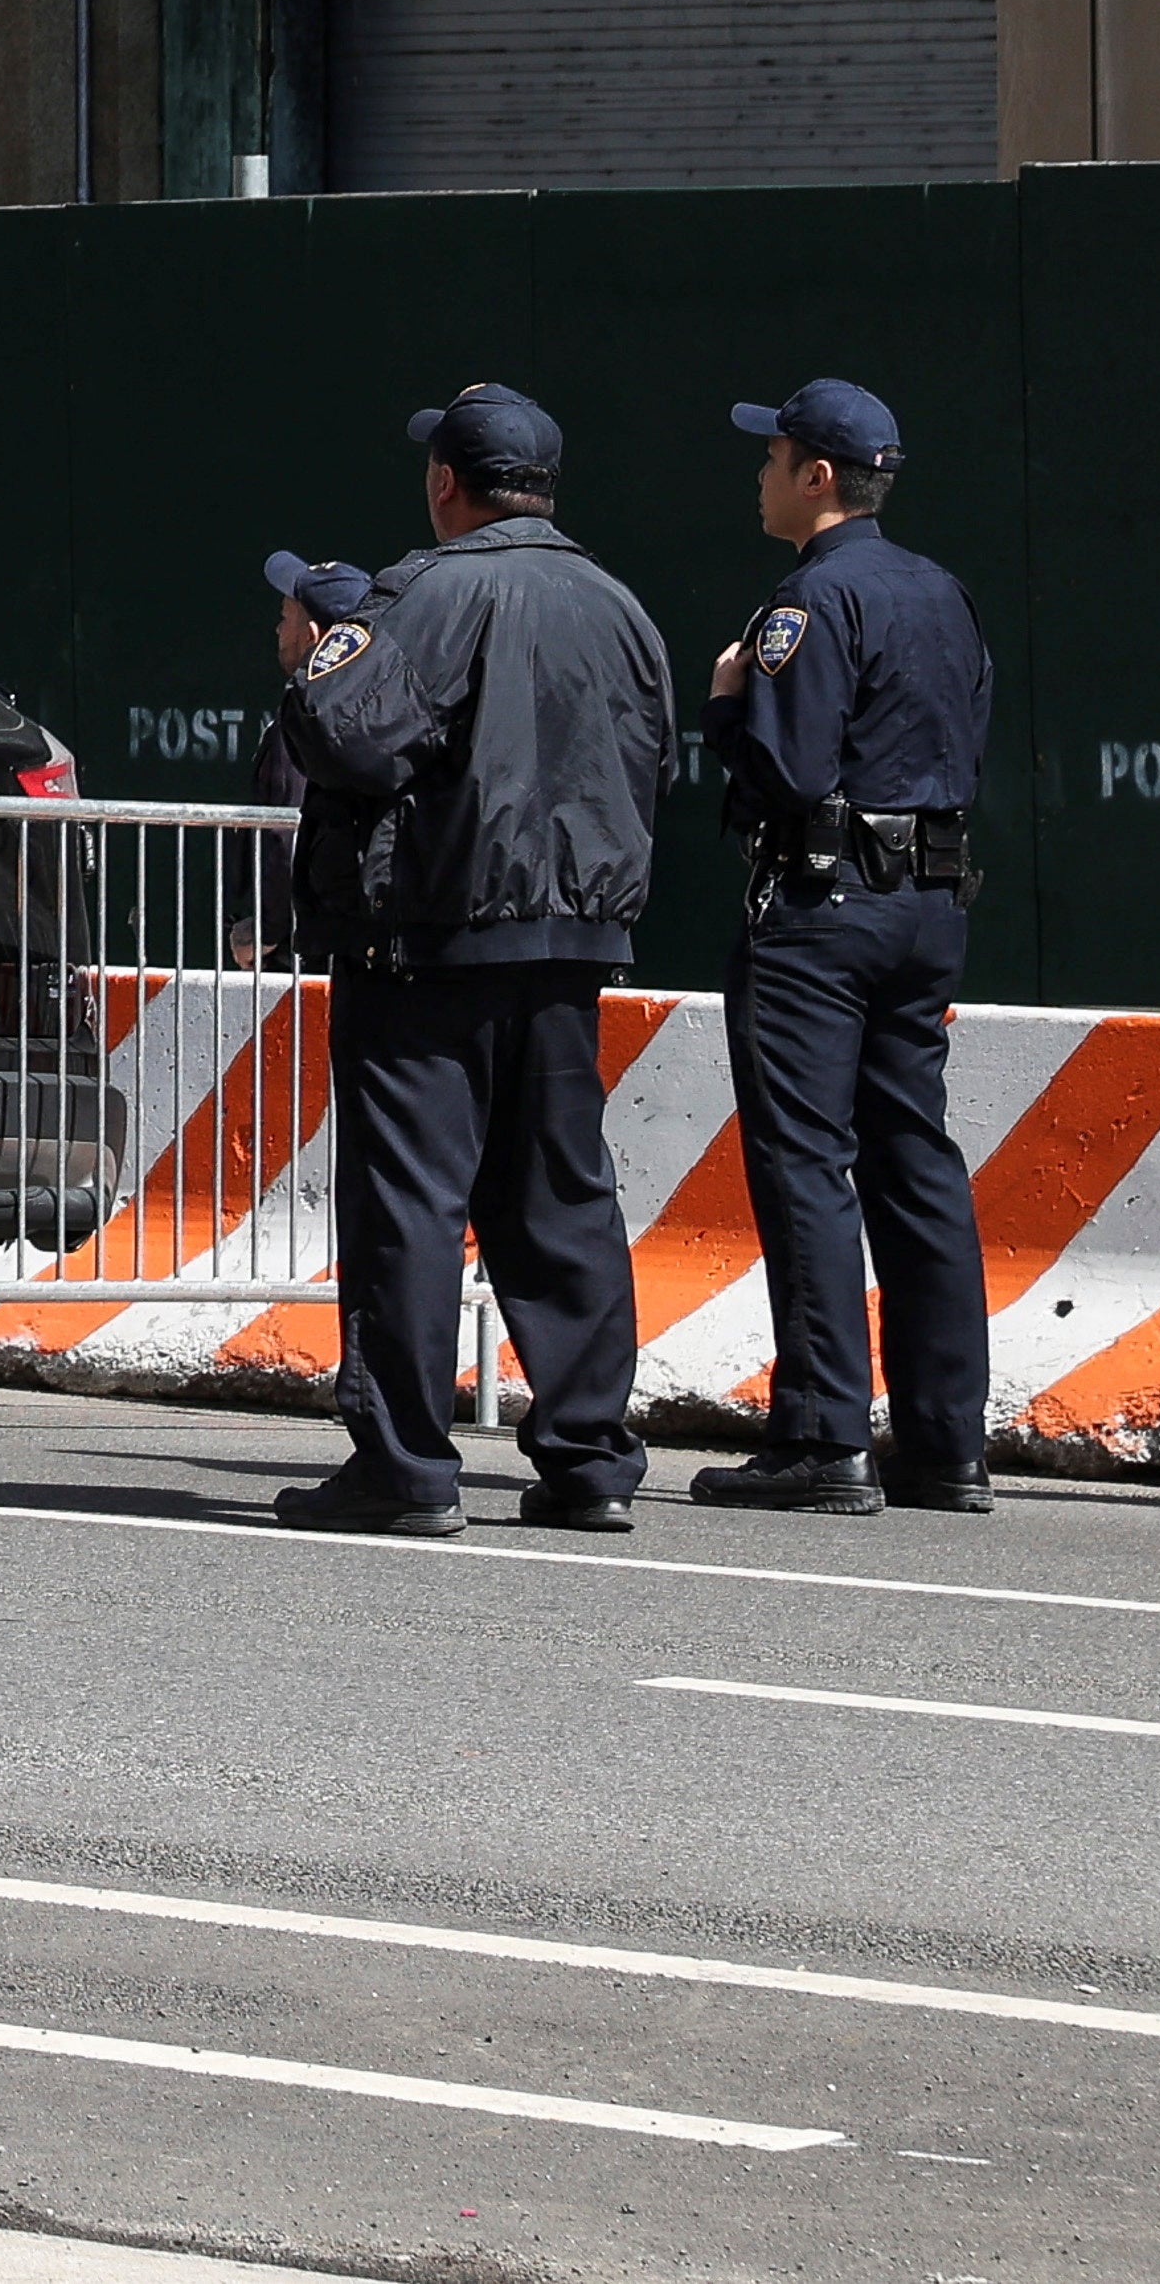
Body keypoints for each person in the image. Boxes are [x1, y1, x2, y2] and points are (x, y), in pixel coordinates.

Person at [264, 383, 677, 1540]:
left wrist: (306, 690)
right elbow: (655, 766)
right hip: (568, 943)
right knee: (561, 1197)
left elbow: (346, 733)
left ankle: (404, 1464)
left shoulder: (423, 592)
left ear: (446, 480)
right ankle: (589, 1455)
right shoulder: (617, 603)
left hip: (428, 939)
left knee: (408, 1202)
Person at [693, 380, 994, 1520]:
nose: (757, 476)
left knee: (805, 1160)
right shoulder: (943, 592)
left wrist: (727, 702)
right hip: (927, 902)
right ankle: (944, 1441)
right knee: (913, 1156)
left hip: (821, 914)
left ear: (816, 475)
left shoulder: (808, 601)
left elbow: (787, 767)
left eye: (770, 458)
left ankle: (823, 1433)